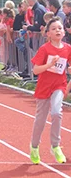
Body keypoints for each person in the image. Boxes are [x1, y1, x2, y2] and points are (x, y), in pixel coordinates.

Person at [29, 17, 71, 164]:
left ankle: (55, 146)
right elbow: (35, 70)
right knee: (40, 120)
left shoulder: (67, 48)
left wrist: (67, 88)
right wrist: (49, 64)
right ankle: (34, 147)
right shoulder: (45, 49)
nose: (57, 30)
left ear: (64, 31)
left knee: (56, 113)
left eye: (59, 28)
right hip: (44, 87)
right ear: (48, 34)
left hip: (59, 85)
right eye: (53, 29)